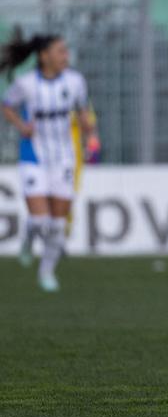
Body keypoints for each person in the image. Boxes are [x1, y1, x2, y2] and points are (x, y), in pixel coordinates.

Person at [1, 27, 98, 292]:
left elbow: (82, 109)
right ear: (44, 56)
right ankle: (29, 238)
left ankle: (46, 272)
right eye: (61, 51)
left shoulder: (76, 81)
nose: (66, 55)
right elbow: (6, 104)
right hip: (34, 156)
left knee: (57, 224)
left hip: (64, 157)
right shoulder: (26, 84)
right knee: (41, 221)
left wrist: (90, 130)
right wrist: (21, 126)